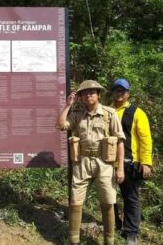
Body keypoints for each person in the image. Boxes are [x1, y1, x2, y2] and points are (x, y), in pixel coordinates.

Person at [57, 80, 126, 245]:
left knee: (108, 202)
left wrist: (120, 168)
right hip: (82, 163)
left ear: (98, 95)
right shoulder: (77, 114)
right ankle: (73, 240)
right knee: (75, 202)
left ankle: (109, 241)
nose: (88, 95)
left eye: (92, 92)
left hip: (104, 164)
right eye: (84, 93)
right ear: (80, 97)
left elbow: (120, 142)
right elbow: (60, 125)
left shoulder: (110, 114)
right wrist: (68, 105)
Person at [111, 78, 153, 245]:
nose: (119, 93)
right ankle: (114, 224)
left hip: (130, 163)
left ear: (128, 93)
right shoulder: (107, 111)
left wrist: (146, 162)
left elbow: (145, 139)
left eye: (123, 91)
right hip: (108, 163)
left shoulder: (137, 112)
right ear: (112, 92)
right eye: (116, 90)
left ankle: (131, 233)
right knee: (109, 197)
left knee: (131, 198)